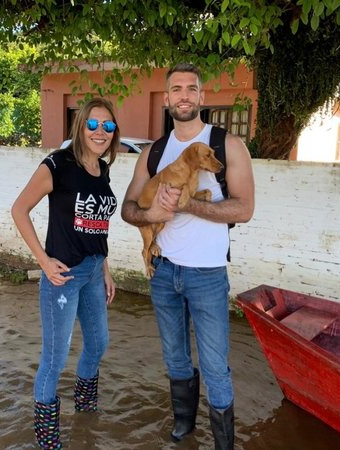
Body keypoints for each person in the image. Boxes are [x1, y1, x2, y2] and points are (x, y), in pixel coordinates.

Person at [121, 63, 255, 449]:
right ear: (166, 99)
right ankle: (184, 428)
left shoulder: (228, 145)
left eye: (191, 88)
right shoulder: (153, 152)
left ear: (202, 97)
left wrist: (187, 206)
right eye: (176, 89)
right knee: (176, 359)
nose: (183, 95)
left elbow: (244, 209)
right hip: (163, 271)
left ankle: (223, 444)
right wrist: (152, 215)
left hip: (208, 274)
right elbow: (129, 209)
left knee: (216, 367)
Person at [11, 97, 120, 449]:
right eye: (92, 124)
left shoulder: (101, 170)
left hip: (92, 272)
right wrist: (43, 260)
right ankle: (48, 441)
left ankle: (86, 411)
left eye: (107, 126)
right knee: (55, 359)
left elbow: (97, 227)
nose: (100, 132)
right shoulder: (58, 164)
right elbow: (19, 209)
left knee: (99, 342)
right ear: (80, 126)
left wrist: (105, 268)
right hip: (63, 276)